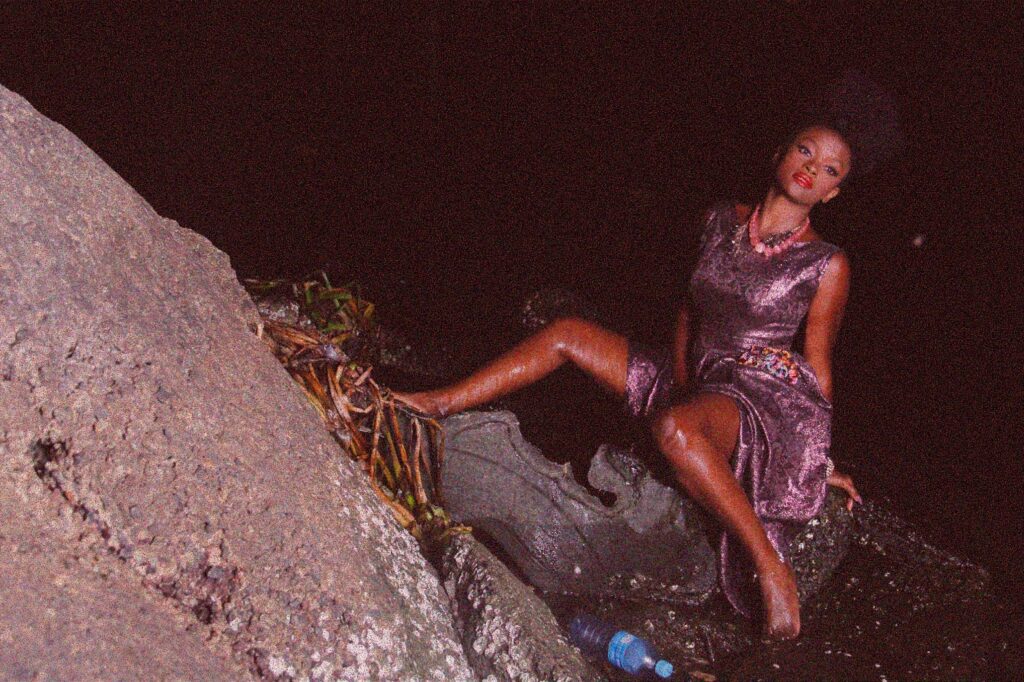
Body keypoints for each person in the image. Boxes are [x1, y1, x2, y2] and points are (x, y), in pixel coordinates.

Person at [396, 120, 869, 639]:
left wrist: (814, 464)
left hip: (757, 396)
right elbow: (690, 309)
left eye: (829, 169)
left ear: (833, 192)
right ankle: (433, 402)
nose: (810, 169)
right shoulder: (719, 218)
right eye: (805, 151)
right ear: (780, 152)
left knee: (676, 431)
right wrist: (683, 378)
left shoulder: (826, 263)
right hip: (695, 372)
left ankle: (770, 567)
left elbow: (818, 370)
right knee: (567, 333)